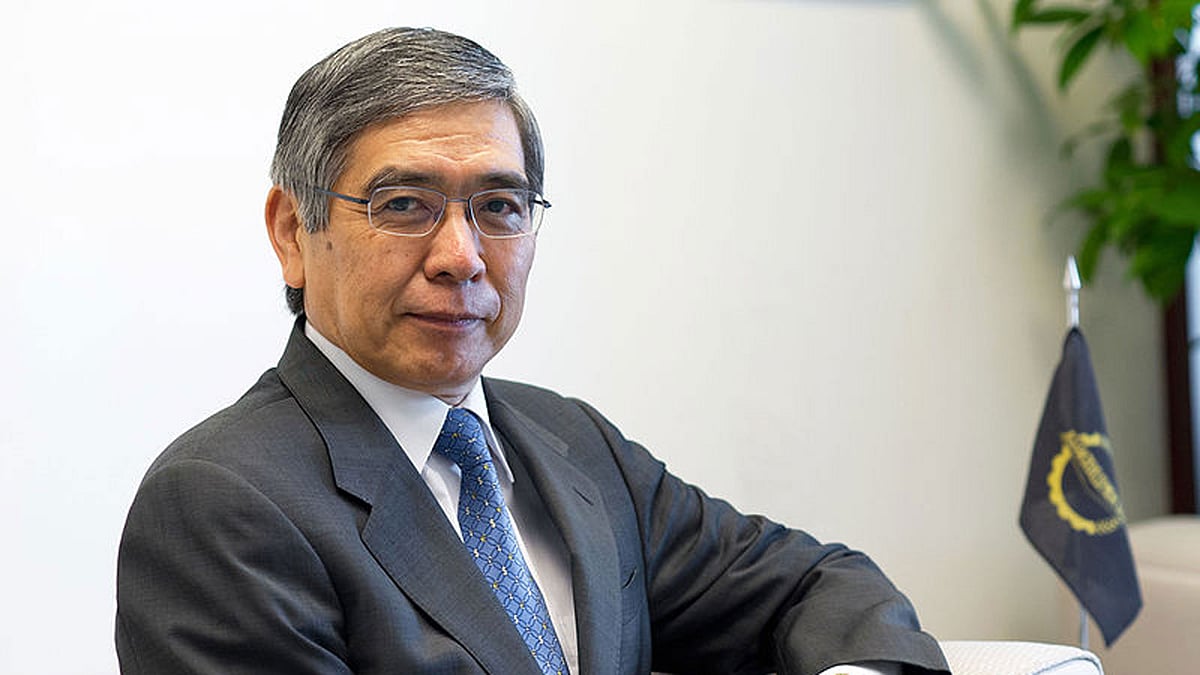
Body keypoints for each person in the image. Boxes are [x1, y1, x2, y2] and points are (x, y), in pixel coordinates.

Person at [115, 27, 949, 675]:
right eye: (405, 202)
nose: (461, 256)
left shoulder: (571, 442)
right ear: (295, 234)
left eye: (500, 206)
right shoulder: (221, 504)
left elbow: (814, 585)